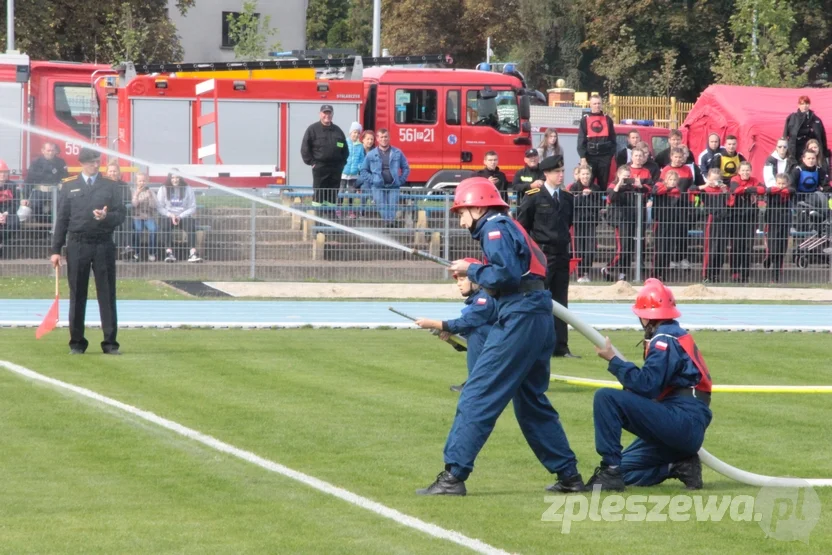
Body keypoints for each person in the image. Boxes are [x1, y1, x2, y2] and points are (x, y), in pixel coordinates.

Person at [417, 177, 583, 496]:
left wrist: (472, 269)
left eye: (462, 211)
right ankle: (569, 476)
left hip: (520, 317)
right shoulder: (506, 225)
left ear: (478, 206)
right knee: (532, 402)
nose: (461, 218)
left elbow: (505, 274)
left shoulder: (494, 228)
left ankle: (453, 476)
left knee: (478, 392)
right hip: (536, 317)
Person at [588, 278, 712, 491]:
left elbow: (648, 385)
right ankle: (677, 466)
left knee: (605, 398)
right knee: (624, 469)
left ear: (646, 317)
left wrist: (613, 361)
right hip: (681, 424)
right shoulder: (674, 335)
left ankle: (609, 469)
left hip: (681, 420)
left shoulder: (664, 339)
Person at [50, 147, 125, 355]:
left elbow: (120, 214)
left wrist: (105, 217)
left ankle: (110, 343)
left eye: (97, 161)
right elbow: (62, 220)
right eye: (92, 161)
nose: (96, 165)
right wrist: (56, 249)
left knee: (107, 294)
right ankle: (77, 342)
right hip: (78, 244)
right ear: (82, 163)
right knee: (77, 294)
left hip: (102, 244)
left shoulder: (110, 186)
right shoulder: (70, 186)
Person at [517, 155, 578, 358]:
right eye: (556, 172)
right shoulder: (534, 195)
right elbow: (522, 225)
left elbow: (567, 224)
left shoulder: (567, 198)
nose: (561, 175)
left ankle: (561, 346)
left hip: (561, 253)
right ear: (546, 173)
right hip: (541, 255)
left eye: (562, 171)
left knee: (561, 301)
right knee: (539, 300)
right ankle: (536, 345)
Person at [414, 258, 498, 393]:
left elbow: (467, 323)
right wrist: (453, 340)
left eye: (462, 279)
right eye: (457, 280)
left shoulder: (485, 298)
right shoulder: (480, 297)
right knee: (474, 331)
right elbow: (467, 334)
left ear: (476, 280)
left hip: (512, 346)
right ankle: (477, 380)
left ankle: (477, 383)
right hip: (505, 345)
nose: (458, 284)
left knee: (478, 331)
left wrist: (434, 324)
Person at [602, 165, 648, 282]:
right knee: (622, 248)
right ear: (618, 175)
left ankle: (623, 273)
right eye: (624, 176)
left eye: (628, 176)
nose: (627, 178)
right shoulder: (613, 185)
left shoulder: (632, 187)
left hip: (632, 219)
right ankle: (608, 267)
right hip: (620, 220)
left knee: (630, 248)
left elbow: (647, 192)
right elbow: (611, 196)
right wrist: (619, 184)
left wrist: (639, 185)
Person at [300, 104, 350, 206]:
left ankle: (330, 218)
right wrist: (312, 163)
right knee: (319, 195)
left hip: (335, 170)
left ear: (332, 114)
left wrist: (341, 164)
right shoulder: (312, 129)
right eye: (324, 113)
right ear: (320, 114)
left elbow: (345, 150)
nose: (327, 115)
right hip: (320, 168)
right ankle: (318, 218)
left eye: (329, 113)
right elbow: (305, 149)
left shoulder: (338, 131)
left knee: (332, 195)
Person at [360, 128, 410, 227]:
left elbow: (406, 168)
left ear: (389, 138)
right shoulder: (371, 154)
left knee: (392, 207)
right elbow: (363, 170)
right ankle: (389, 224)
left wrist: (401, 180)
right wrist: (373, 180)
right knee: (381, 205)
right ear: (377, 139)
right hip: (377, 186)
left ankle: (390, 224)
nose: (384, 139)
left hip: (393, 186)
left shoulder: (397, 153)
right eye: (381, 137)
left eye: (386, 137)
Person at [659, 148, 697, 270]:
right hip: (669, 207)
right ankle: (671, 259)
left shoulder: (687, 169)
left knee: (683, 233)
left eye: (680, 157)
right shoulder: (666, 170)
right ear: (671, 157)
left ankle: (683, 258)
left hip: (683, 206)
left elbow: (691, 186)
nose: (678, 159)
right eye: (676, 157)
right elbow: (660, 186)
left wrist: (691, 204)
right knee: (670, 234)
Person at [729, 161, 765, 283]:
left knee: (747, 247)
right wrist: (748, 189)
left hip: (750, 218)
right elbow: (735, 190)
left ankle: (745, 273)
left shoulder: (754, 180)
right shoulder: (734, 179)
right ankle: (735, 272)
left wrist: (747, 188)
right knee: (736, 247)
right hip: (737, 218)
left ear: (750, 171)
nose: (745, 173)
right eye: (743, 170)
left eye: (747, 170)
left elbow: (762, 189)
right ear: (739, 171)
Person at [567, 164, 602, 283]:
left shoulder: (595, 188)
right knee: (579, 249)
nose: (585, 176)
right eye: (583, 174)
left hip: (591, 222)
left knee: (591, 249)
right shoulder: (573, 187)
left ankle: (586, 271)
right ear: (579, 175)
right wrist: (582, 196)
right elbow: (572, 204)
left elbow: (599, 206)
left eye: (587, 174)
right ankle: (580, 274)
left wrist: (590, 196)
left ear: (591, 175)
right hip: (577, 222)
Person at [157, 172, 202, 263]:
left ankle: (193, 253)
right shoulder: (163, 188)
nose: (175, 180)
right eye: (173, 177)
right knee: (165, 226)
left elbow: (192, 207)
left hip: (183, 215)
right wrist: (171, 215)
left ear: (181, 178)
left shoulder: (187, 188)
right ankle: (169, 253)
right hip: (168, 215)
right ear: (169, 178)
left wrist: (180, 216)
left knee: (191, 226)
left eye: (177, 177)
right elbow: (159, 207)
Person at [698, 168, 731, 283]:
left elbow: (731, 202)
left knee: (721, 249)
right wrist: (705, 185)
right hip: (710, 220)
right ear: (708, 178)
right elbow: (691, 191)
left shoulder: (724, 189)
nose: (714, 182)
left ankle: (716, 274)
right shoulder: (705, 189)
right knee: (710, 248)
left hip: (723, 220)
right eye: (712, 180)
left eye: (717, 180)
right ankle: (706, 274)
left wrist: (725, 192)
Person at [578, 94, 616, 190]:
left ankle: (602, 204)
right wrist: (583, 157)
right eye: (594, 103)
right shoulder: (585, 120)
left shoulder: (608, 119)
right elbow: (581, 140)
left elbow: (613, 139)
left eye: (599, 103)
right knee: (587, 183)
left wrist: (609, 156)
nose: (597, 105)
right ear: (590, 105)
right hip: (590, 156)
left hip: (604, 157)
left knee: (603, 185)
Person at [651, 170, 683, 280]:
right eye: (670, 179)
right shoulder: (659, 185)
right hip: (660, 221)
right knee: (659, 249)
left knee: (669, 249)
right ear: (666, 179)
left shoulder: (676, 191)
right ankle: (655, 273)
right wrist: (668, 188)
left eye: (674, 180)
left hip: (672, 222)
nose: (672, 182)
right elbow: (655, 191)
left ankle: (664, 273)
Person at [25, 142, 69, 222]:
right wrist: (25, 197)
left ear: (55, 151)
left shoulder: (61, 162)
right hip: (39, 192)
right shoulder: (36, 162)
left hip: (55, 192)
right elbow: (29, 180)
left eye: (52, 150)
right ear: (43, 151)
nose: (51, 153)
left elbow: (65, 178)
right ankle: (42, 229)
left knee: (61, 206)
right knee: (35, 207)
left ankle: (56, 228)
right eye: (48, 150)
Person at [763, 173, 795, 282]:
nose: (781, 186)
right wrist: (778, 190)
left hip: (785, 224)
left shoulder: (789, 193)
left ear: (787, 184)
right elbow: (767, 191)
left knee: (781, 250)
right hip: (772, 223)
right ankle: (769, 257)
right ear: (775, 183)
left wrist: (784, 191)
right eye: (779, 183)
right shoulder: (772, 192)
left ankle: (775, 278)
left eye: (783, 184)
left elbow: (792, 191)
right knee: (774, 249)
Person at [783, 95, 829, 165]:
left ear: (809, 105)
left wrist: (824, 153)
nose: (804, 106)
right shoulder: (792, 118)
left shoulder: (816, 119)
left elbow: (822, 138)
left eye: (806, 103)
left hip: (810, 151)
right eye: (802, 104)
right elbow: (785, 136)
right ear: (798, 105)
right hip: (795, 150)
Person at [106, 162, 134, 259]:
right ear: (107, 172)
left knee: (127, 224)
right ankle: (116, 249)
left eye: (114, 171)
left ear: (118, 172)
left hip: (122, 212)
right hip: (109, 213)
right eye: (110, 171)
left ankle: (127, 248)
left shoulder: (124, 185)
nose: (112, 173)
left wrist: (121, 208)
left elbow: (128, 201)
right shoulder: (103, 184)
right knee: (115, 227)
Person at [339, 122, 365, 219]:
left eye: (358, 133)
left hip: (353, 173)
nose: (356, 135)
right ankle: (338, 209)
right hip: (343, 172)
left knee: (351, 192)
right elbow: (339, 153)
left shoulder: (360, 146)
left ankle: (350, 211)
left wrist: (359, 167)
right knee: (341, 191)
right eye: (354, 132)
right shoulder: (344, 142)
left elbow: (362, 159)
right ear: (350, 132)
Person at [130, 173, 158, 262]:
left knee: (153, 229)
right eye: (140, 181)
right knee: (138, 230)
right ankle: (136, 253)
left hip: (148, 216)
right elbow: (134, 205)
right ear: (136, 182)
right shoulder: (132, 191)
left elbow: (154, 206)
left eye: (143, 181)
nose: (142, 182)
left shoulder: (150, 191)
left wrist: (150, 197)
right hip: (137, 216)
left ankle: (152, 253)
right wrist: (136, 194)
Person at [0, 160, 22, 255]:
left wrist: (6, 213)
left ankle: (3, 242)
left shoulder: (12, 185)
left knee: (14, 223)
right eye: (1, 172)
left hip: (9, 212)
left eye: (5, 172)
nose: (3, 174)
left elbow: (16, 203)